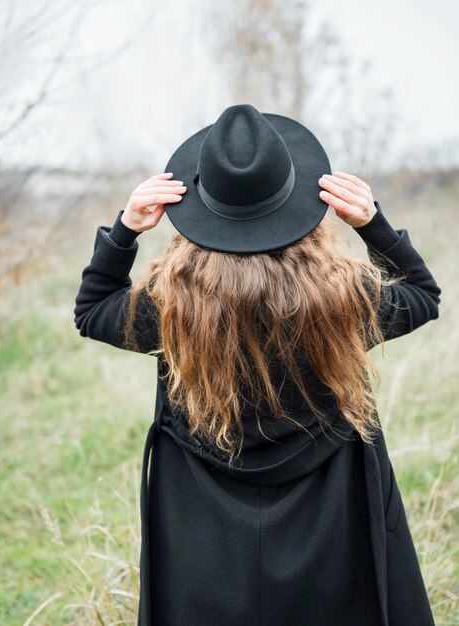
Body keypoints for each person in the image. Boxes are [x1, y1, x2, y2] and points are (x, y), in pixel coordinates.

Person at [73, 104, 441, 626]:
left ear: (200, 208)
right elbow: (424, 295)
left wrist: (125, 230)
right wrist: (372, 223)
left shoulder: (173, 308)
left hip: (203, 541)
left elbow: (90, 311)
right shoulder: (340, 300)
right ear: (298, 202)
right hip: (330, 530)